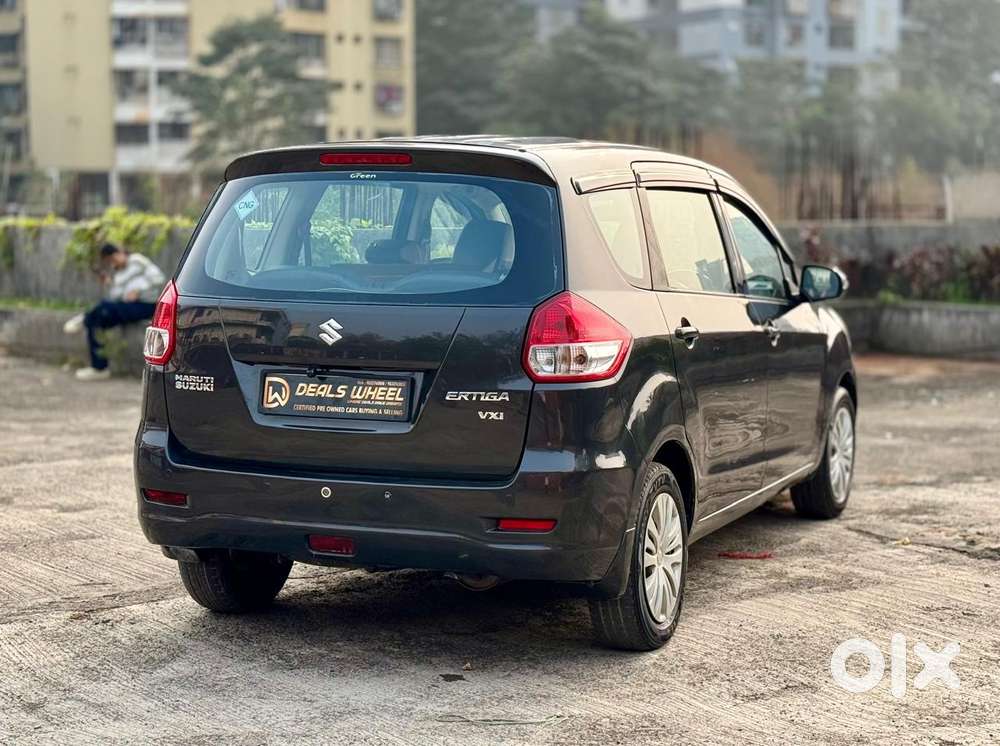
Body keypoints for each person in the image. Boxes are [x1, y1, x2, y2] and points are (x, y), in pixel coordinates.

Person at [64, 243, 165, 381]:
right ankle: (99, 368)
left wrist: (139, 291)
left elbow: (159, 277)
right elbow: (117, 297)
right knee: (95, 323)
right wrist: (110, 284)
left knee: (104, 306)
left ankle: (84, 318)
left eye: (114, 258)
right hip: (127, 307)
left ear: (120, 252)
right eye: (111, 261)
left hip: (145, 305)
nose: (115, 262)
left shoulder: (137, 260)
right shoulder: (119, 275)